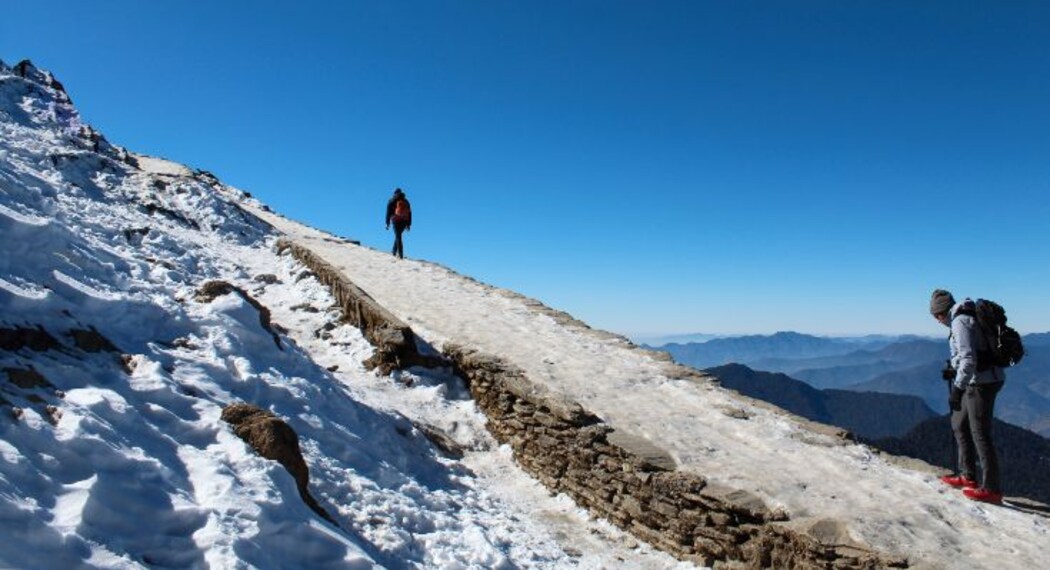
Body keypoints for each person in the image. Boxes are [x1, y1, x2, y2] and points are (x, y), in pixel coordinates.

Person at [929, 289, 1005, 504]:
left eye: (937, 316)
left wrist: (958, 388)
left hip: (982, 383)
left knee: (980, 432)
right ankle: (968, 476)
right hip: (978, 379)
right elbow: (969, 357)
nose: (937, 320)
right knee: (959, 423)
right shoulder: (964, 318)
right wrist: (955, 372)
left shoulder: (960, 322)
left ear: (943, 312)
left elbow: (969, 359)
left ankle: (992, 489)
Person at [385, 188, 412, 259]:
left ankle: (400, 255)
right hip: (404, 220)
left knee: (398, 236)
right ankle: (394, 252)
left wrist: (387, 223)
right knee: (398, 236)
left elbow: (388, 213)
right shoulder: (406, 201)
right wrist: (408, 224)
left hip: (395, 219)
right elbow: (410, 213)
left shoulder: (392, 200)